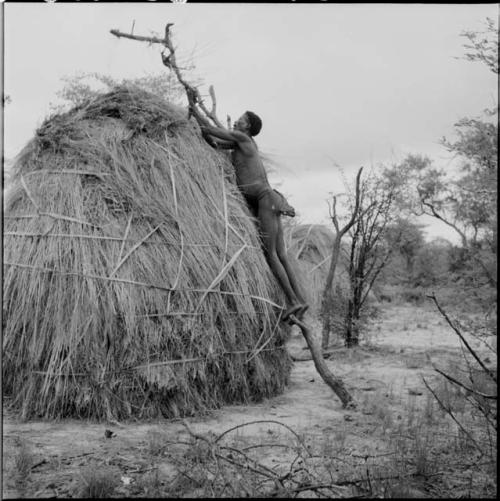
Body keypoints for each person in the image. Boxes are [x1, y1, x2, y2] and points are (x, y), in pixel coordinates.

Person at [191, 107, 308, 322]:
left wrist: (193, 109)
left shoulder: (242, 138)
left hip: (266, 199)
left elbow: (209, 128)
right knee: (281, 254)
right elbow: (215, 142)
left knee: (271, 253)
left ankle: (293, 301)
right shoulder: (238, 143)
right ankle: (300, 299)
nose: (236, 121)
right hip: (268, 200)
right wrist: (204, 132)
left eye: (241, 120)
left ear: (248, 128)